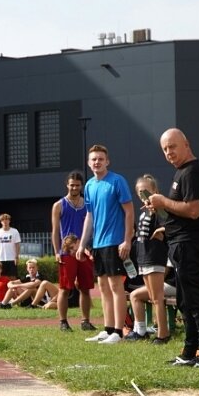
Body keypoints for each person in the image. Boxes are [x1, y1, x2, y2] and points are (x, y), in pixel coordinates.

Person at [147, 128, 199, 368]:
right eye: (165, 149)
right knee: (185, 300)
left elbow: (194, 210)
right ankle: (190, 351)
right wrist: (167, 226)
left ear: (186, 144)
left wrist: (162, 201)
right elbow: (187, 213)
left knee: (196, 299)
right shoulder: (185, 172)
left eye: (172, 146)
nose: (169, 153)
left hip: (190, 245)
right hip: (182, 242)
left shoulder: (191, 171)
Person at [78, 144, 134, 344]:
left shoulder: (117, 181)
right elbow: (89, 217)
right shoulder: (89, 186)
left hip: (115, 241)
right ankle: (108, 328)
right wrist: (82, 243)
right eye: (93, 159)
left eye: (100, 159)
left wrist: (127, 240)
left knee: (115, 285)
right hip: (99, 244)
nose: (97, 162)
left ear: (107, 161)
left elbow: (129, 211)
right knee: (102, 286)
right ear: (88, 162)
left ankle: (118, 332)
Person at [126, 174, 169, 342]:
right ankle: (149, 331)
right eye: (140, 191)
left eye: (147, 191)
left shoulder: (159, 211)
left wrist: (160, 230)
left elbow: (171, 225)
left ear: (155, 191)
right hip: (144, 259)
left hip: (155, 258)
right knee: (152, 297)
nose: (143, 194)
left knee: (158, 298)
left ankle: (163, 334)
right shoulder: (143, 212)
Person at [51, 171, 96, 332]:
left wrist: (90, 248)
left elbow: (93, 227)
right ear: (67, 185)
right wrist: (57, 252)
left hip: (83, 251)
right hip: (66, 253)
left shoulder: (88, 204)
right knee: (65, 288)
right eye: (72, 185)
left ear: (81, 186)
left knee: (85, 288)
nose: (74, 188)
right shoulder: (59, 205)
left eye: (77, 185)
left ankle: (85, 321)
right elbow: (55, 231)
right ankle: (63, 321)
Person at [0, 213, 20, 279]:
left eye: (6, 219)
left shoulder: (14, 231)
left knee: (13, 277)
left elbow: (17, 245)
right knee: (2, 277)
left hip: (12, 258)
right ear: (1, 222)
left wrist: (16, 257)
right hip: (1, 259)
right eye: (3, 220)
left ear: (9, 221)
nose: (5, 221)